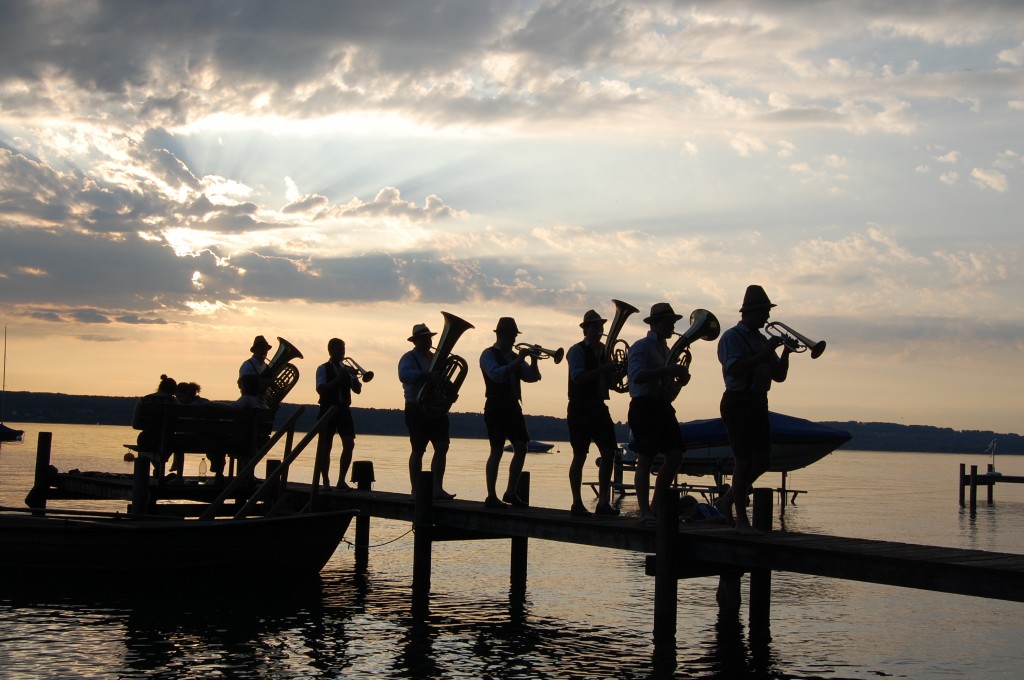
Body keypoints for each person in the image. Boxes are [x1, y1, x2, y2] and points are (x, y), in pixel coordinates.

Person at [714, 285, 791, 535]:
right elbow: (734, 369)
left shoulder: (760, 340)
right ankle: (742, 522)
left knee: (763, 460)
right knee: (744, 460)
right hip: (738, 400)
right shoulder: (732, 337)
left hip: (759, 401)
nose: (767, 318)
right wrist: (765, 352)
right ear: (752, 312)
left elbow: (779, 376)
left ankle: (726, 502)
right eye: (764, 312)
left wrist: (786, 352)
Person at [627, 303, 690, 526]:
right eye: (669, 322)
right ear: (655, 324)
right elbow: (636, 376)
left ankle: (655, 506)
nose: (673, 326)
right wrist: (669, 370)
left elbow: (667, 388)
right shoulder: (641, 347)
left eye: (673, 322)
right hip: (643, 405)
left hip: (661, 405)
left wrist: (678, 382)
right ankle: (644, 511)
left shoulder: (667, 351)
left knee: (676, 456)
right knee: (645, 458)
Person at [479, 317, 541, 508]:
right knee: (496, 450)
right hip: (496, 405)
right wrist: (520, 360)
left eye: (515, 336)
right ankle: (491, 495)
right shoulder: (487, 354)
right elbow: (497, 374)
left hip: (513, 406)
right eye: (512, 335)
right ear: (502, 335)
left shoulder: (514, 357)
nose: (514, 340)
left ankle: (510, 491)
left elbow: (532, 377)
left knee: (521, 447)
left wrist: (534, 360)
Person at [566, 309, 621, 517]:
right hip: (580, 406)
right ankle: (577, 502)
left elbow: (612, 385)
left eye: (600, 326)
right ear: (585, 330)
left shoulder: (604, 351)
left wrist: (616, 373)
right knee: (579, 454)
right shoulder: (576, 350)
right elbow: (578, 378)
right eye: (594, 327)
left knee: (609, 452)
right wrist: (603, 370)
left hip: (598, 405)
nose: (599, 330)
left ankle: (603, 501)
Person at [399, 323, 456, 500]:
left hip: (436, 409)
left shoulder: (435, 358)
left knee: (442, 446)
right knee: (418, 449)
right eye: (424, 338)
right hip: (417, 408)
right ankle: (415, 490)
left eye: (429, 337)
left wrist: (450, 392)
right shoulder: (408, 358)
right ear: (415, 341)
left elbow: (442, 380)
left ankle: (437, 488)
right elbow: (404, 375)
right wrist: (425, 375)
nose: (428, 341)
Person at [315, 337, 363, 490]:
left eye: (343, 349)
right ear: (330, 351)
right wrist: (339, 378)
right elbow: (321, 389)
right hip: (327, 409)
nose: (342, 352)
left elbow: (357, 390)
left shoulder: (347, 369)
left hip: (343, 410)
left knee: (349, 444)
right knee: (325, 446)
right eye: (338, 349)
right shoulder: (322, 368)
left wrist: (354, 378)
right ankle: (326, 481)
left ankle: (341, 480)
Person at [167, 381, 209, 479]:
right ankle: (219, 476)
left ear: (186, 394)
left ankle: (178, 476)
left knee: (178, 441)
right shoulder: (206, 403)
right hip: (208, 441)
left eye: (178, 396)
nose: (177, 399)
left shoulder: (182, 408)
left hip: (186, 442)